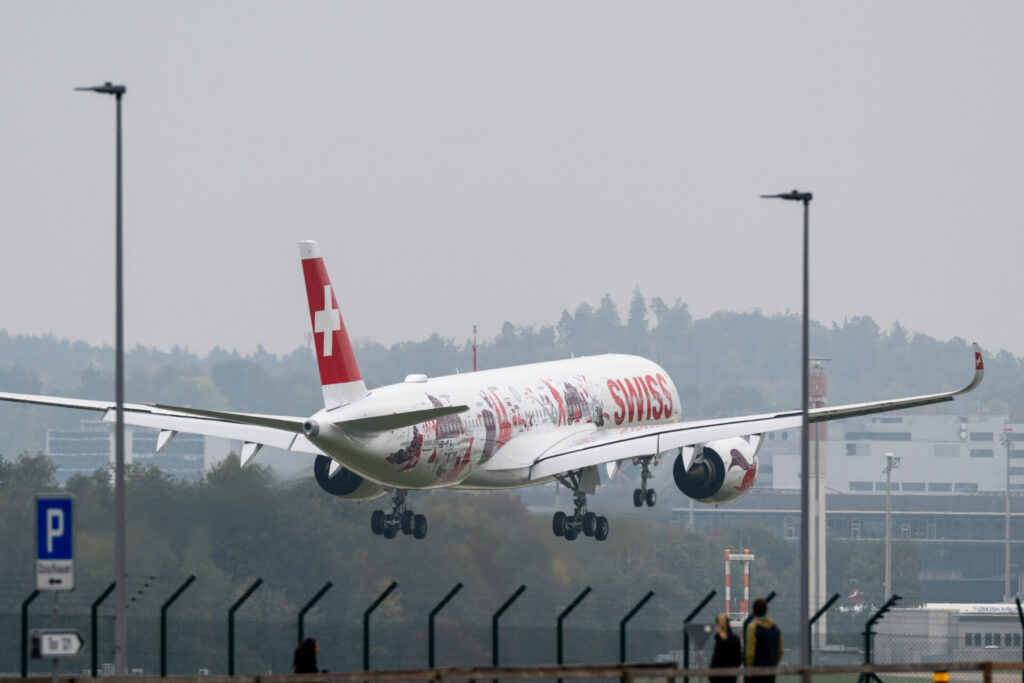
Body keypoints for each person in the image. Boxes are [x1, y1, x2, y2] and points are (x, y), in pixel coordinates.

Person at [744, 598, 783, 683]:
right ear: (766, 610)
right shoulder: (776, 629)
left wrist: (749, 669)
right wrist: (773, 664)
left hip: (756, 672)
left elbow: (750, 652)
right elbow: (780, 651)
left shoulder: (752, 628)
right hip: (770, 670)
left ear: (753, 612)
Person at [709, 613, 742, 683]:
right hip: (732, 676)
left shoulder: (720, 640)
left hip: (718, 677)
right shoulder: (735, 639)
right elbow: (738, 659)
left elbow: (716, 660)